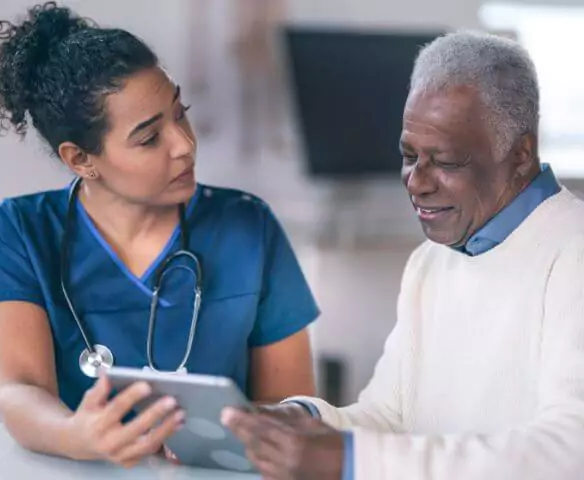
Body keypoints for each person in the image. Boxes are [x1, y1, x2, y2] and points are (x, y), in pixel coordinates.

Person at [222, 31, 584, 480]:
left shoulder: (573, 253)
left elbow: (571, 452)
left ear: (520, 154)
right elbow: (390, 417)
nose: (416, 181)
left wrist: (351, 461)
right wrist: (302, 420)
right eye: (408, 155)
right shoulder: (430, 263)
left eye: (446, 161)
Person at [0, 2, 318, 468]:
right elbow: (19, 390)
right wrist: (76, 435)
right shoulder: (21, 231)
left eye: (181, 114)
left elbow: (293, 403)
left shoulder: (248, 225)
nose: (185, 145)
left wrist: (235, 437)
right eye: (149, 138)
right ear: (80, 160)